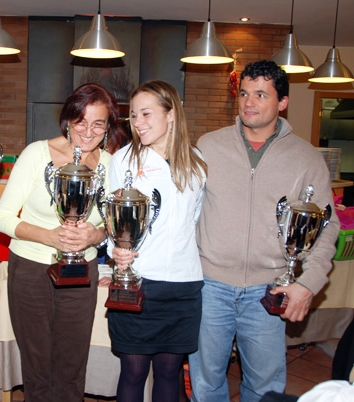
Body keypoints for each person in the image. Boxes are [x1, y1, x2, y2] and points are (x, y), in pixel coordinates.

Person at [188, 60, 340, 402]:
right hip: (211, 285)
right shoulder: (209, 145)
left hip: (269, 290)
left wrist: (308, 283)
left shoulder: (306, 158)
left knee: (265, 386)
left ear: (282, 103)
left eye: (260, 94)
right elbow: (186, 210)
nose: (249, 102)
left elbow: (326, 227)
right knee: (205, 381)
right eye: (244, 93)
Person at [0, 83, 126, 402]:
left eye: (98, 123)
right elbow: (2, 217)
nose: (88, 131)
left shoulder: (111, 165)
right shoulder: (37, 153)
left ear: (108, 126)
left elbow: (114, 222)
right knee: (37, 366)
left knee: (71, 365)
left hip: (82, 272)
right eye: (81, 121)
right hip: (30, 270)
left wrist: (96, 235)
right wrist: (50, 236)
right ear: (68, 119)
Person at [107, 80, 207, 402]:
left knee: (169, 372)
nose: (137, 123)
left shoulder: (197, 163)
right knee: (133, 372)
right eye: (133, 116)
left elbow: (194, 220)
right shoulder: (123, 160)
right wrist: (116, 251)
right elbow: (112, 221)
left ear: (172, 114)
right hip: (139, 281)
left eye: (146, 114)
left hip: (183, 284)